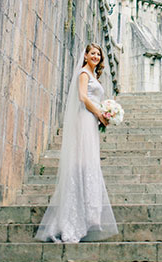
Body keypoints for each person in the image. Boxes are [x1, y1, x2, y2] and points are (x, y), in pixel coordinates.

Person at [35, 43, 118, 243]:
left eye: (98, 54)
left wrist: (104, 114)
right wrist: (99, 112)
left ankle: (86, 213)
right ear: (86, 56)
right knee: (83, 160)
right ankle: (75, 217)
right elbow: (82, 97)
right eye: (92, 53)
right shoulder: (83, 74)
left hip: (91, 119)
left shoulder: (93, 75)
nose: (96, 56)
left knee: (88, 161)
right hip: (85, 118)